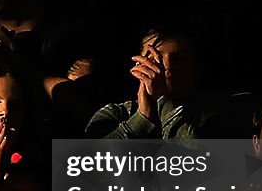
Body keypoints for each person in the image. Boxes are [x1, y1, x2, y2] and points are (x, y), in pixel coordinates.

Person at [85, 22, 222, 139]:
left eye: (180, 58)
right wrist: (142, 119)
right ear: (138, 68)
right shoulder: (116, 114)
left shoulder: (223, 113)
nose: (167, 67)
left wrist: (163, 101)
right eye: (155, 59)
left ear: (196, 67)